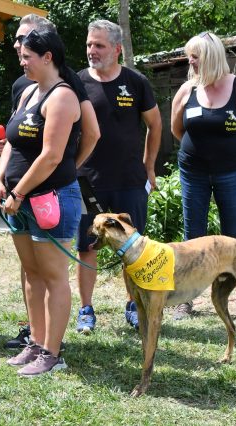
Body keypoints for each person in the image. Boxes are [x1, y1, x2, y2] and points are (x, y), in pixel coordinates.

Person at [0, 14, 100, 350]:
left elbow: (57, 153)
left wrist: (63, 169)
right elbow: (12, 141)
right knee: (32, 272)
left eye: (27, 54)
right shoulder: (26, 90)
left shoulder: (64, 92)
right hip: (19, 197)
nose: (20, 58)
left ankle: (51, 351)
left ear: (47, 56)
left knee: (53, 275)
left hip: (46, 197)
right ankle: (35, 342)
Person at [74, 19, 162, 334]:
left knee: (132, 247)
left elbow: (155, 124)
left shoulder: (136, 82)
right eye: (89, 44)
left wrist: (149, 167)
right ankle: (86, 310)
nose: (92, 50)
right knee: (86, 247)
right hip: (87, 181)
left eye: (99, 45)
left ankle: (133, 305)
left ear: (117, 49)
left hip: (129, 180)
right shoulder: (77, 82)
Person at [170, 31, 236, 319]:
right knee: (192, 237)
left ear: (211, 57)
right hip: (193, 173)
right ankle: (186, 299)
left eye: (195, 56)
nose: (190, 61)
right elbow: (177, 129)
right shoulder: (187, 90)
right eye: (190, 56)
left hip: (231, 174)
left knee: (234, 236)